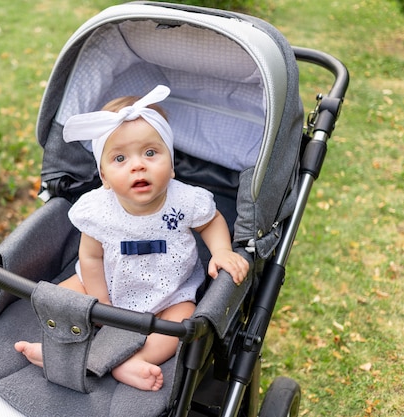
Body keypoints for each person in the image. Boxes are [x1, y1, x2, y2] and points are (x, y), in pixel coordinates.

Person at [15, 85, 249, 392]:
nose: (138, 164)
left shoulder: (185, 201)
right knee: (62, 297)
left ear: (172, 164)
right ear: (104, 177)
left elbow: (211, 221)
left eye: (151, 153)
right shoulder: (98, 209)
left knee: (182, 323)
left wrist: (220, 250)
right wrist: (101, 306)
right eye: (120, 158)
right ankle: (61, 349)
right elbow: (91, 257)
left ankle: (131, 360)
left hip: (169, 293)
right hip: (106, 286)